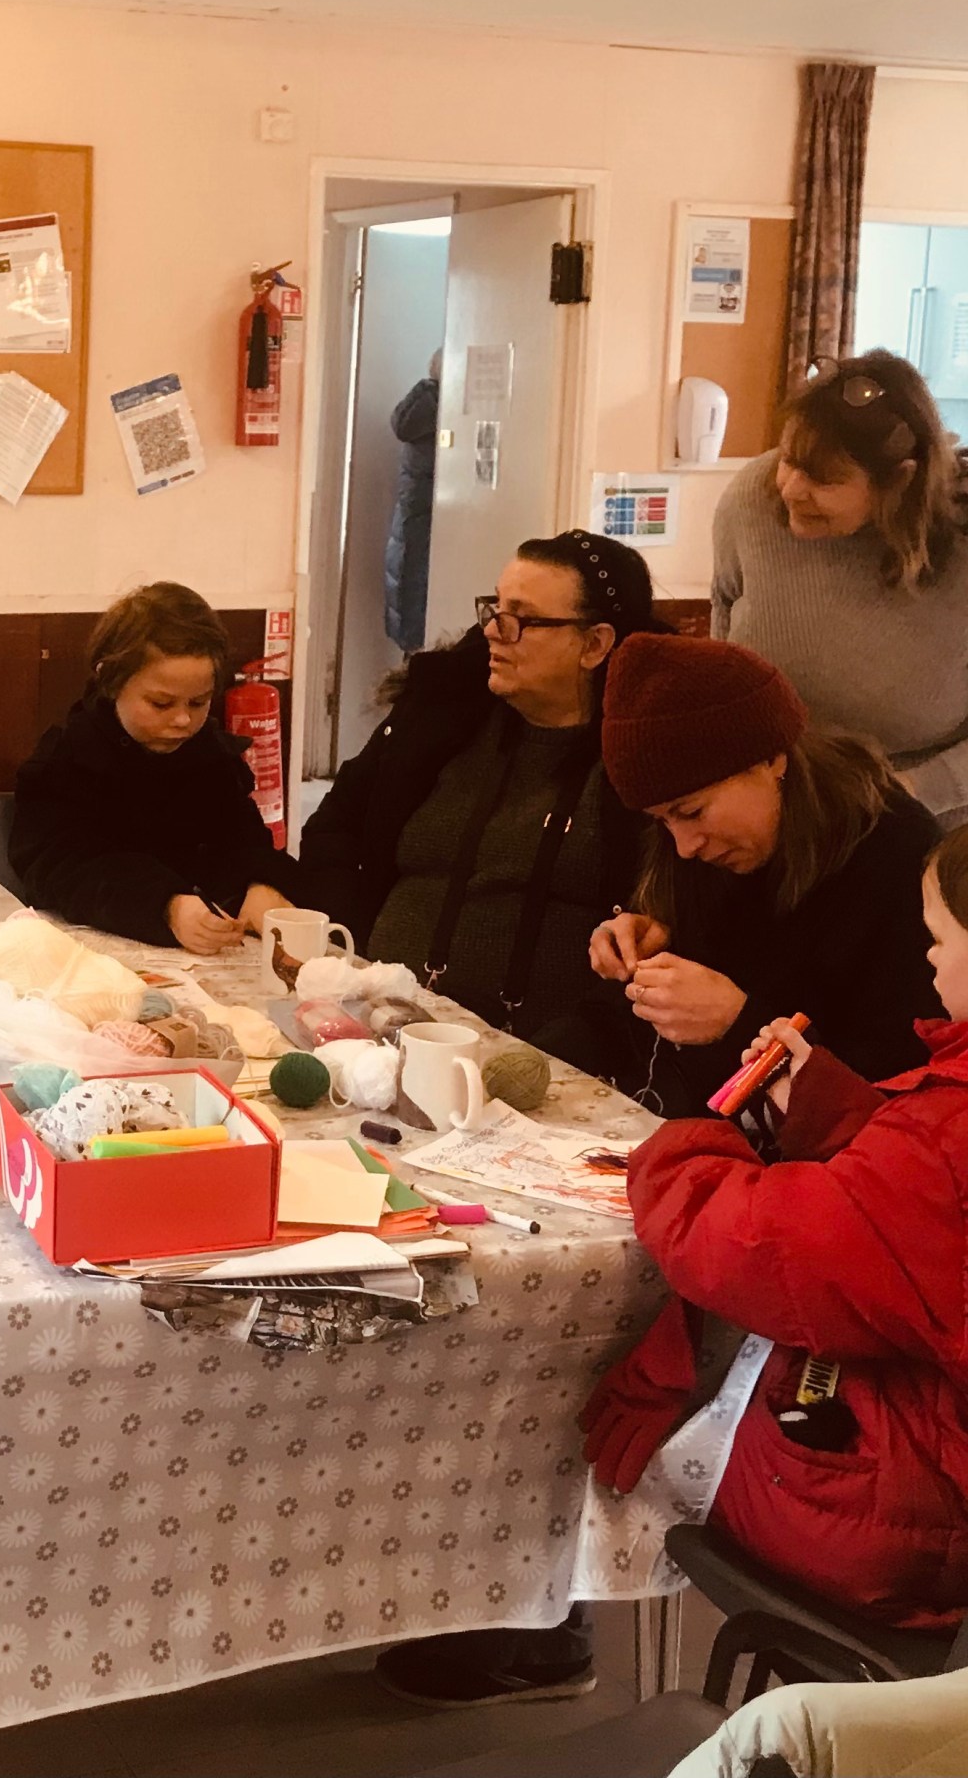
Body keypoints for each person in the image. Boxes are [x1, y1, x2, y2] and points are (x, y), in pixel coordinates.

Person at [587, 820, 968, 1634]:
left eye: (940, 938)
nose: (928, 958)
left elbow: (761, 1253)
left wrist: (679, 1151)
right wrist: (830, 1109)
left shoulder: (946, 1133)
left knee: (611, 1422)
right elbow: (911, 1220)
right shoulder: (943, 1121)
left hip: (917, 1523)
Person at [290, 530, 659, 1046]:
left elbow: (664, 926)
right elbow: (334, 828)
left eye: (521, 619)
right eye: (495, 608)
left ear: (594, 644)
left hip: (550, 1054)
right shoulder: (441, 717)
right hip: (371, 1025)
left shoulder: (643, 762)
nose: (491, 631)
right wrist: (352, 956)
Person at [589, 633, 941, 1119]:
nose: (684, 847)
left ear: (771, 758)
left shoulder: (898, 855)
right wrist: (650, 950)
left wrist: (738, 1023)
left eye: (691, 812)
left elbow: (901, 1086)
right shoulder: (700, 852)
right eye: (662, 821)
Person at [712, 350, 968, 827]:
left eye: (823, 479)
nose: (790, 488)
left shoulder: (961, 544)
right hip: (777, 801)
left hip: (921, 821)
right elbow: (724, 624)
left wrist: (905, 793)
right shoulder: (751, 500)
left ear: (900, 480)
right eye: (788, 460)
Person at [11, 582, 309, 951]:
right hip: (94, 952)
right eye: (161, 704)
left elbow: (244, 842)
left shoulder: (212, 758)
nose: (183, 720)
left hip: (203, 954)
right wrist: (164, 906)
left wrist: (259, 884)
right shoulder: (68, 761)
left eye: (198, 703)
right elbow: (61, 868)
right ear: (112, 682)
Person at [383, 349, 441, 652]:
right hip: (424, 532)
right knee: (421, 640)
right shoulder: (438, 413)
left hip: (413, 531)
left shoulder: (420, 412)